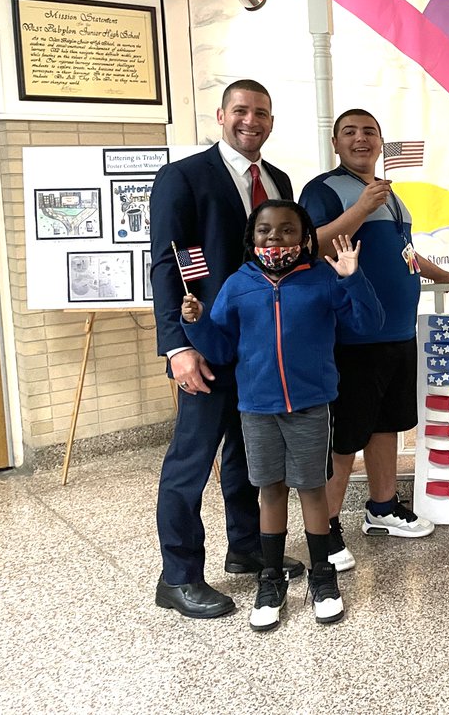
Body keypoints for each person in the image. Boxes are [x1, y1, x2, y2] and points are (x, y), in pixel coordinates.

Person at [182, 201, 383, 630]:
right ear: (252, 239)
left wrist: (353, 279)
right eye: (265, 231)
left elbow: (369, 324)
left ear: (305, 238)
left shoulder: (323, 280)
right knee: (270, 491)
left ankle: (323, 578)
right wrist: (197, 325)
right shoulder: (238, 285)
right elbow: (220, 351)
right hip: (257, 410)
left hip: (310, 408)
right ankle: (269, 580)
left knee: (312, 490)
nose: (275, 239)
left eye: (288, 231)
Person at [150, 79, 301, 619]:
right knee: (191, 461)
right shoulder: (184, 178)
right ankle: (179, 575)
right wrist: (176, 346)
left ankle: (246, 548)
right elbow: (168, 264)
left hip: (259, 350)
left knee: (247, 456)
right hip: (206, 348)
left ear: (271, 120)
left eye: (261, 112)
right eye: (241, 110)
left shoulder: (279, 180)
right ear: (221, 115)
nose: (251, 120)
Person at [300, 108, 449, 570]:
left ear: (380, 141)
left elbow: (405, 254)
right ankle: (325, 528)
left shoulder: (391, 197)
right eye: (349, 132)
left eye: (369, 132)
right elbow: (310, 246)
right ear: (335, 143)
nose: (360, 139)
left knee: (387, 423)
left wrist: (448, 278)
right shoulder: (325, 190)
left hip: (397, 332)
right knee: (345, 436)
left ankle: (383, 508)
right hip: (352, 335)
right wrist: (361, 209)